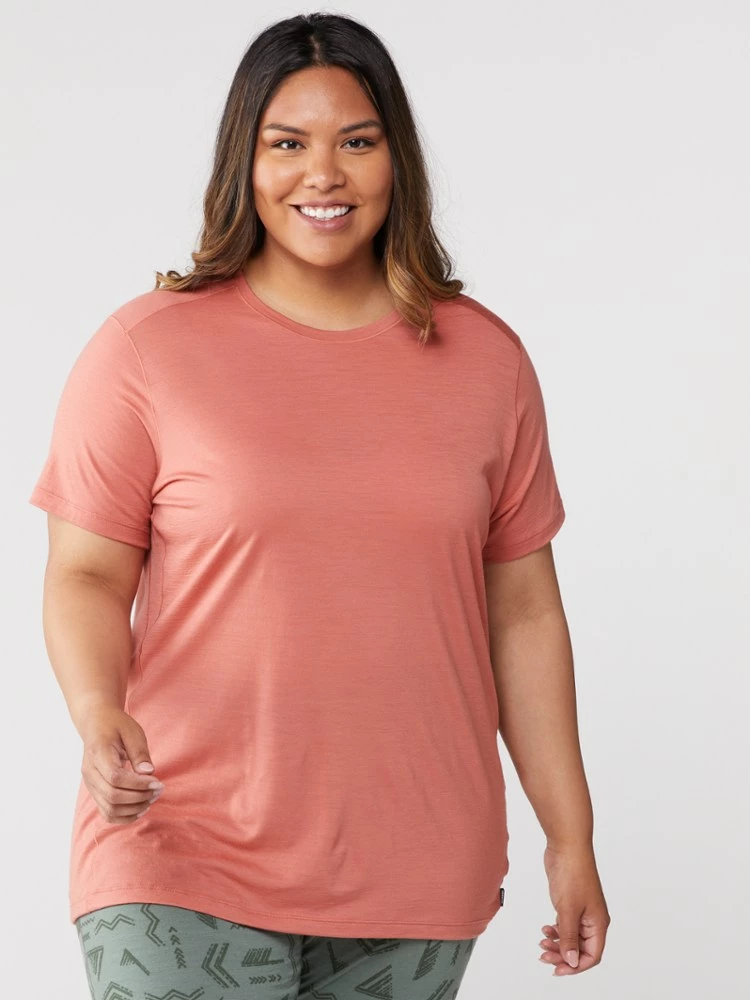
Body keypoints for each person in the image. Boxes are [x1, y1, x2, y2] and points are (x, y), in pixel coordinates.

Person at [29, 11, 610, 999]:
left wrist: (571, 835)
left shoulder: (487, 362)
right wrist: (96, 710)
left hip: (417, 867)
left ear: (397, 159)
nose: (324, 175)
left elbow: (522, 613)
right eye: (288, 144)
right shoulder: (146, 350)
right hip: (179, 847)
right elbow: (85, 572)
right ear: (245, 162)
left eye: (358, 142)